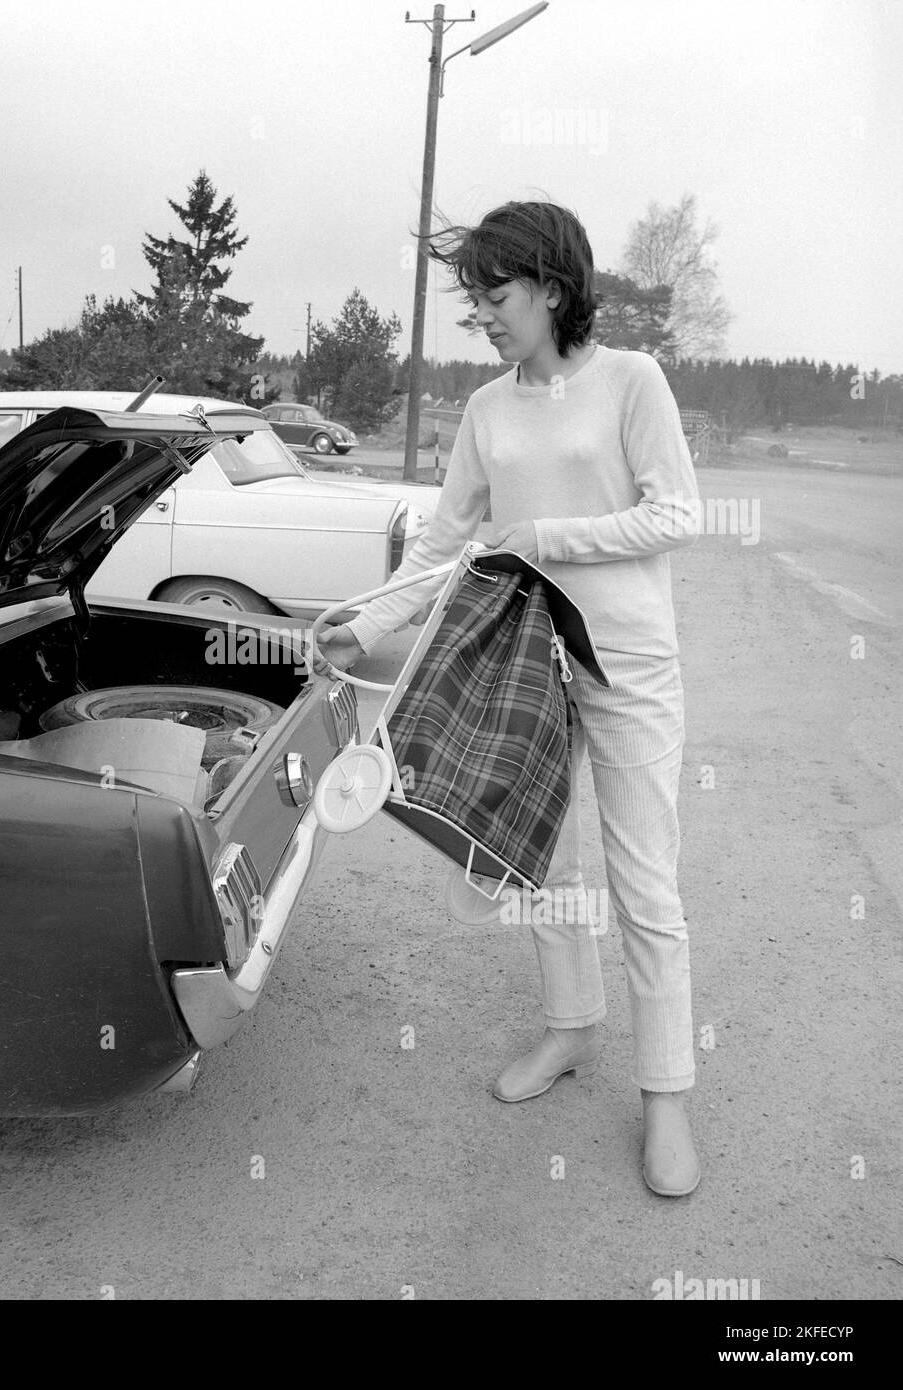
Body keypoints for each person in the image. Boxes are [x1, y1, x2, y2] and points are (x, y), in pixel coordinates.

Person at [315, 201, 702, 1196]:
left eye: (495, 296)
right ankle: (571, 1027)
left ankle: (666, 1097)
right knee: (538, 864)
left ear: (551, 290)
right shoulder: (487, 409)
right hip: (524, 662)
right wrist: (360, 622)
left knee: (644, 887)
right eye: (475, 299)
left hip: (626, 668)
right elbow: (443, 546)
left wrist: (545, 539)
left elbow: (676, 513)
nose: (482, 315)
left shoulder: (630, 380)